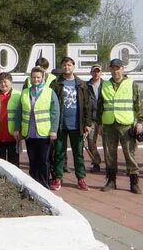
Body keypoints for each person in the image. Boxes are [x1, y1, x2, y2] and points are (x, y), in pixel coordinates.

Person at [97, 58, 143, 194]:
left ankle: (134, 182)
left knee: (130, 154)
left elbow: (138, 104)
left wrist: (139, 122)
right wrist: (99, 123)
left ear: (122, 69)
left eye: (118, 68)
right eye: (113, 68)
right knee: (110, 154)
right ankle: (111, 181)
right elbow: (100, 106)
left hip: (126, 125)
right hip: (109, 124)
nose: (115, 71)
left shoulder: (131, 84)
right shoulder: (104, 85)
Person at [51, 56, 92, 191]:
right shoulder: (56, 83)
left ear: (73, 67)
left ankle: (81, 179)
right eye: (64, 65)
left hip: (77, 125)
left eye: (69, 65)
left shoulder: (81, 84)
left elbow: (87, 105)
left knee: (78, 154)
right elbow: (51, 104)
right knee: (59, 153)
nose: (66, 67)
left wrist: (87, 123)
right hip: (60, 125)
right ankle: (57, 178)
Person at [17, 67, 59, 187]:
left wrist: (53, 130)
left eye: (38, 77)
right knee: (33, 161)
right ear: (31, 78)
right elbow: (19, 111)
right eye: (34, 77)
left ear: (43, 78)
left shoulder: (49, 92)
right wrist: (17, 129)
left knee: (44, 161)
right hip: (29, 133)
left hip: (44, 133)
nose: (36, 79)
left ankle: (44, 185)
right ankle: (34, 185)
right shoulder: (25, 92)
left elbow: (55, 113)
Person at [0, 72, 21, 168]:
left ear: (11, 82)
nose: (3, 84)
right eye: (0, 82)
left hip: (13, 134)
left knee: (14, 164)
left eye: (5, 82)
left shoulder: (18, 95)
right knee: (0, 163)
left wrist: (19, 130)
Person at [86, 64, 104, 173]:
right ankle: (96, 163)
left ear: (101, 73)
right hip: (91, 119)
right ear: (91, 72)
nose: (96, 73)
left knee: (107, 143)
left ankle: (111, 165)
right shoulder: (86, 85)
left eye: (98, 71)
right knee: (91, 142)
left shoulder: (106, 85)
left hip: (104, 119)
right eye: (94, 71)